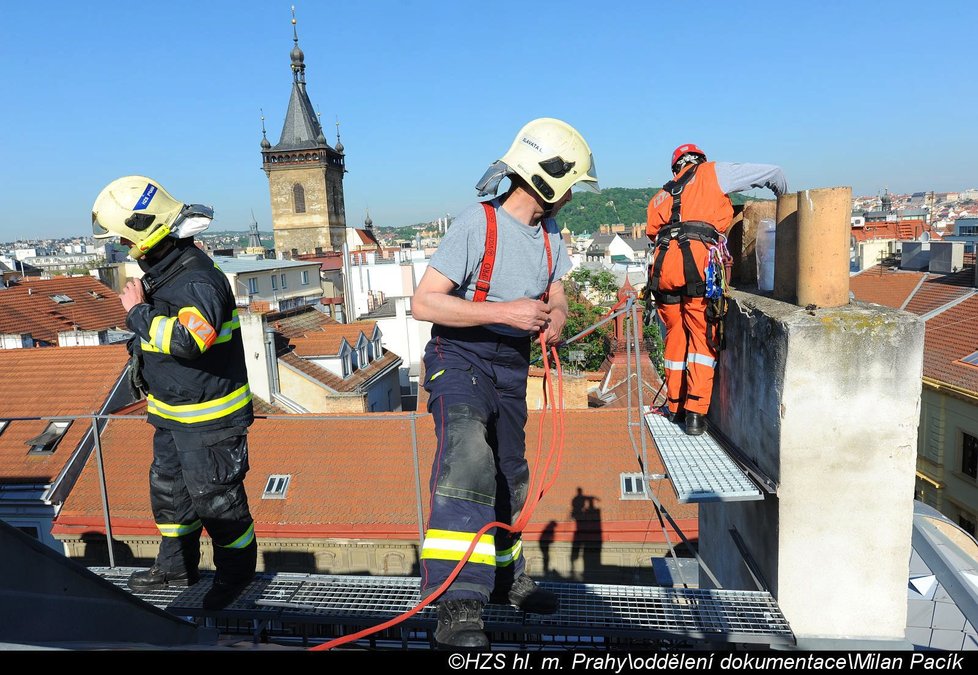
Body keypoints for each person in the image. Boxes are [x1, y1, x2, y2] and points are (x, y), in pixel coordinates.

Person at [412, 118, 599, 649]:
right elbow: (424, 302)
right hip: (460, 355)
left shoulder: (550, 235)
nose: (568, 201)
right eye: (568, 189)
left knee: (508, 473)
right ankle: (457, 602)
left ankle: (503, 579)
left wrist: (555, 314)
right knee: (467, 462)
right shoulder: (478, 224)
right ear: (551, 182)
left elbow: (556, 291)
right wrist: (506, 311)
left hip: (510, 364)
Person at [91, 176, 257, 610]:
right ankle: (176, 566)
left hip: (209, 419)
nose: (125, 246)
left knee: (217, 502)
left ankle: (235, 577)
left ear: (145, 233)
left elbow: (189, 341)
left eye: (125, 236)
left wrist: (137, 312)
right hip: (173, 413)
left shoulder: (195, 280)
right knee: (170, 493)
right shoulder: (167, 274)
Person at [646, 144, 787, 436]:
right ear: (699, 160)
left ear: (676, 168)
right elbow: (774, 173)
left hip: (662, 269)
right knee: (701, 336)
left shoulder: (658, 198)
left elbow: (653, 235)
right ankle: (696, 414)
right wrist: (786, 205)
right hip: (698, 264)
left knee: (675, 336)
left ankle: (675, 406)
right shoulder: (712, 173)